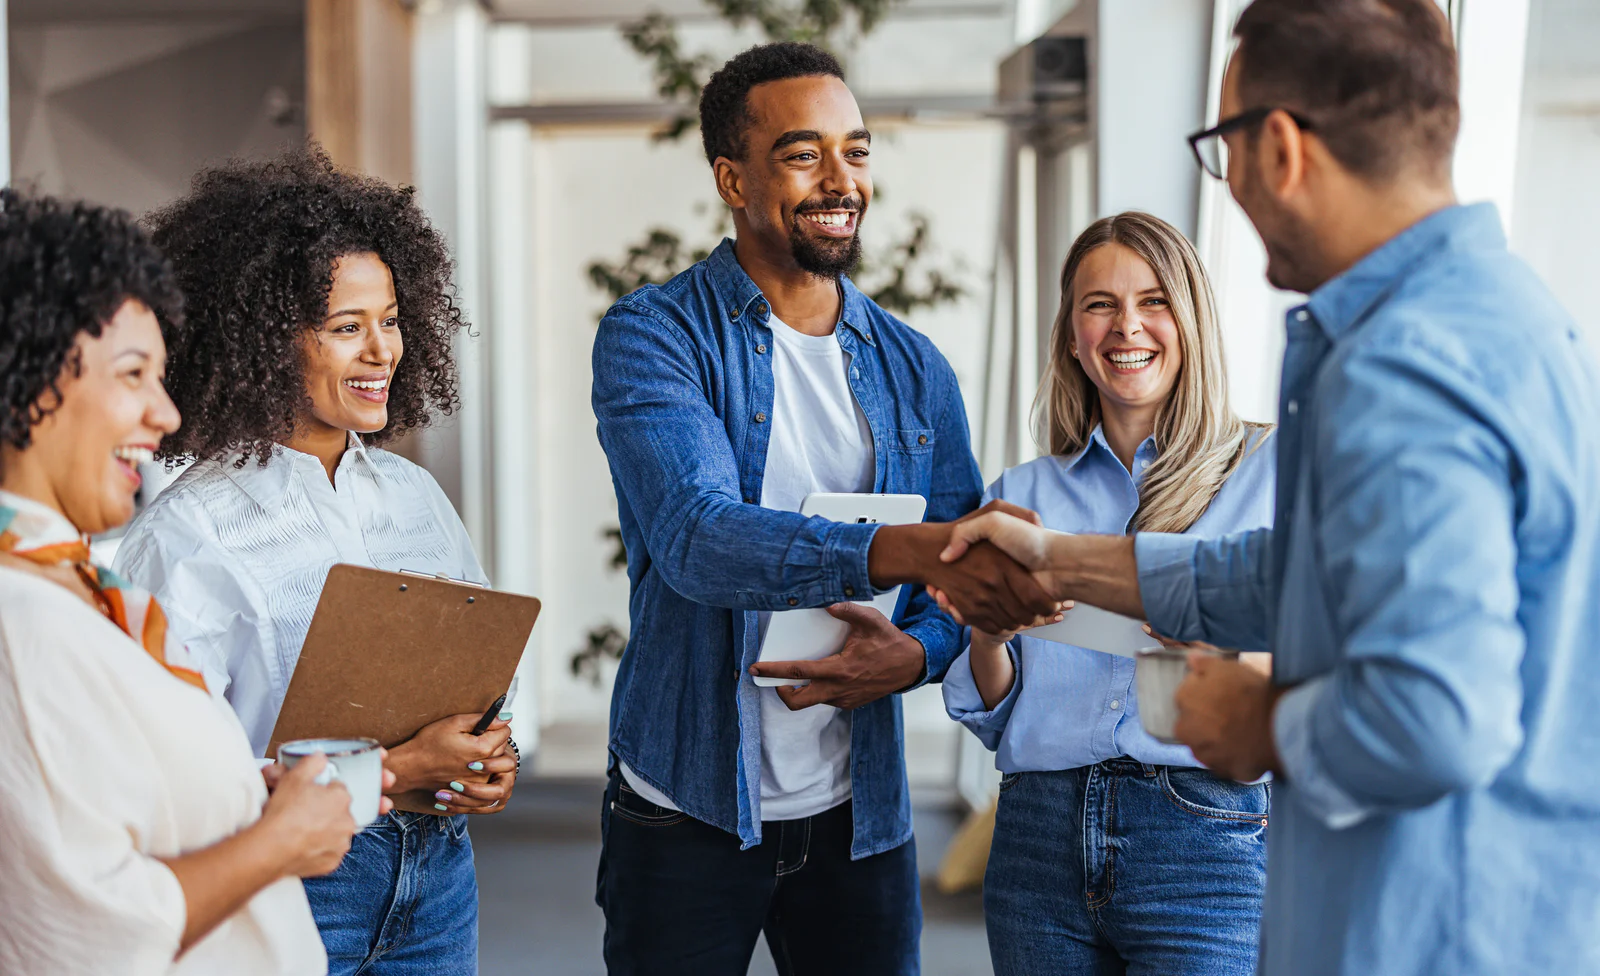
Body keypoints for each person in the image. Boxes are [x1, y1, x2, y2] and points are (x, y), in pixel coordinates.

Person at [931, 1, 1600, 974]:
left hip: (1427, 927)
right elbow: (1294, 571)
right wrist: (1059, 559)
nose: (1230, 184)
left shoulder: (1400, 364)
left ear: (1279, 147)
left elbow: (1436, 716)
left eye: (1222, 148)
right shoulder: (1505, 316)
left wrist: (1257, 720)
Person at [589, 41, 1056, 976]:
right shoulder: (655, 335)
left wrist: (919, 650)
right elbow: (696, 539)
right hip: (687, 804)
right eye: (804, 154)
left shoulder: (913, 365)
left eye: (858, 150)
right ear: (733, 176)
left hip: (859, 815)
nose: (840, 179)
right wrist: (904, 549)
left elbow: (957, 577)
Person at [115, 145, 513, 976]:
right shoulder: (188, 538)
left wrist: (484, 763)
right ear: (261, 340)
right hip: (293, 884)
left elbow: (476, 677)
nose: (382, 352)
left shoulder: (415, 497)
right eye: (345, 328)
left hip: (437, 876)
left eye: (393, 320)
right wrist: (398, 767)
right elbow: (176, 789)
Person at [0, 189, 382, 975]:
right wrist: (279, 841)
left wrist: (246, 789)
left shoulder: (69, 583)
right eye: (133, 374)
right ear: (33, 382)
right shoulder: (22, 621)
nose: (166, 414)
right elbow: (85, 938)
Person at [942, 211, 1275, 975]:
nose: (1128, 326)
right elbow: (992, 709)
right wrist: (993, 629)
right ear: (1070, 334)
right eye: (1100, 305)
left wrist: (1201, 630)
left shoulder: (1267, 470)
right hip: (1039, 837)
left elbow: (1307, 656)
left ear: (1191, 321)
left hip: (1203, 840)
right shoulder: (1022, 494)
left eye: (1154, 300)